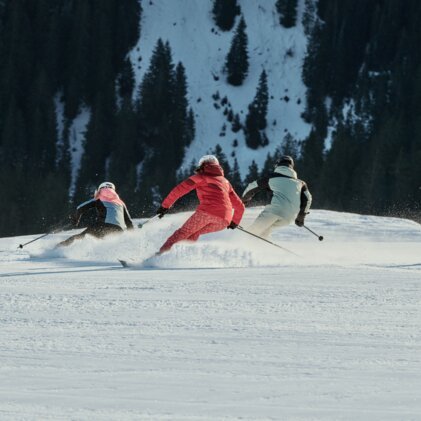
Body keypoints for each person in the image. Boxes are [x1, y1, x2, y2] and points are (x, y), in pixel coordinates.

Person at [156, 155, 245, 254]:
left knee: (183, 232)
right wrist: (234, 222)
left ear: (202, 166)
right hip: (224, 221)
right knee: (194, 232)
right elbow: (240, 206)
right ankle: (181, 256)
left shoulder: (201, 177)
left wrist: (165, 206)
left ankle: (160, 255)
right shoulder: (226, 182)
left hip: (206, 213)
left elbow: (179, 190)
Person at [242, 155, 312, 238]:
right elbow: (308, 199)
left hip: (274, 211)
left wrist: (243, 200)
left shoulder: (272, 178)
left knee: (252, 232)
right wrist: (300, 217)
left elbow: (252, 186)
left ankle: (239, 244)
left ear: (277, 165)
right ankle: (261, 247)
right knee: (265, 230)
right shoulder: (301, 183)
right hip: (289, 217)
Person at [56, 182, 134, 247]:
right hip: (118, 230)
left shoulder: (98, 199)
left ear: (99, 190)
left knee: (80, 237)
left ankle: (59, 248)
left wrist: (75, 221)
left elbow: (80, 208)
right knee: (107, 244)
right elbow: (129, 222)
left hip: (101, 226)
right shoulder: (121, 203)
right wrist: (131, 237)